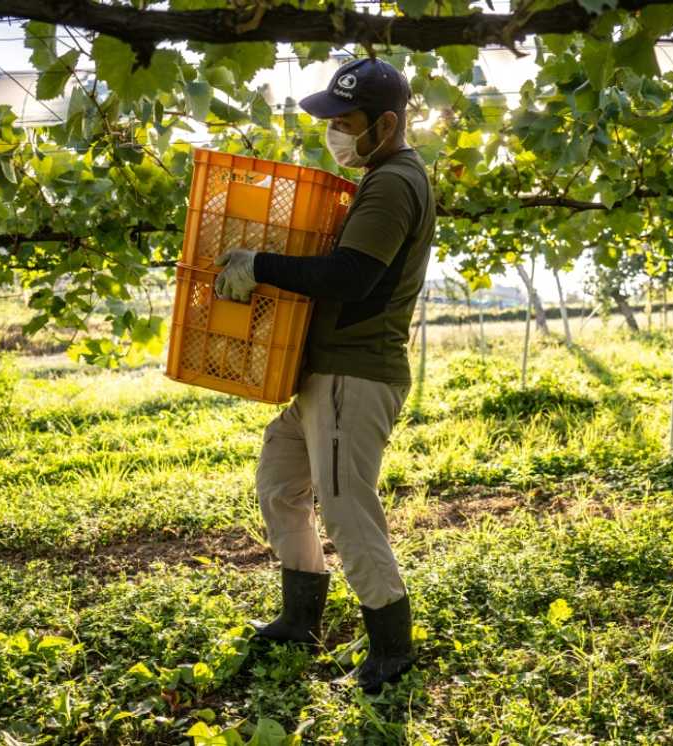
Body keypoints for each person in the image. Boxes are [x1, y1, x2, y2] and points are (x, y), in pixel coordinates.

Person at [212, 57, 436, 694]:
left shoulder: (395, 181)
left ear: (386, 123)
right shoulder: (381, 176)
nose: (335, 130)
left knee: (346, 509)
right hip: (328, 374)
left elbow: (351, 276)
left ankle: (392, 652)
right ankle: (299, 619)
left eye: (346, 120)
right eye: (331, 119)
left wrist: (262, 264)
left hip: (354, 375)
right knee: (282, 480)